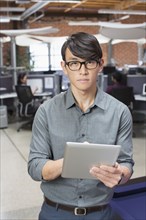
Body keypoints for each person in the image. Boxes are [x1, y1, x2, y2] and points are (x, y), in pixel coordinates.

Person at [28, 32, 134, 220]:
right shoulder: (46, 111)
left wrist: (120, 174)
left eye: (90, 62)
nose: (83, 71)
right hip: (55, 212)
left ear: (100, 64)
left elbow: (126, 164)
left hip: (101, 213)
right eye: (74, 63)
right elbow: (35, 167)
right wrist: (73, 160)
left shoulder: (120, 112)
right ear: (64, 67)